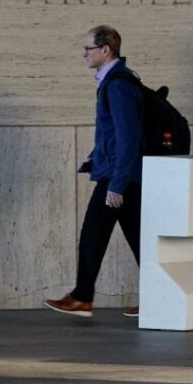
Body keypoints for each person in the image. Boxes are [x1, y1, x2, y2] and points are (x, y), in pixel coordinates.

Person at [44, 25, 144, 318]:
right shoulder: (116, 81)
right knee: (138, 239)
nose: (83, 54)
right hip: (120, 174)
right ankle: (159, 299)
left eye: (88, 48)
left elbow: (129, 137)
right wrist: (96, 156)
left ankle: (81, 298)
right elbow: (115, 135)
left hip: (119, 178)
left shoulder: (118, 85)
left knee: (92, 234)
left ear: (105, 50)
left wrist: (117, 184)